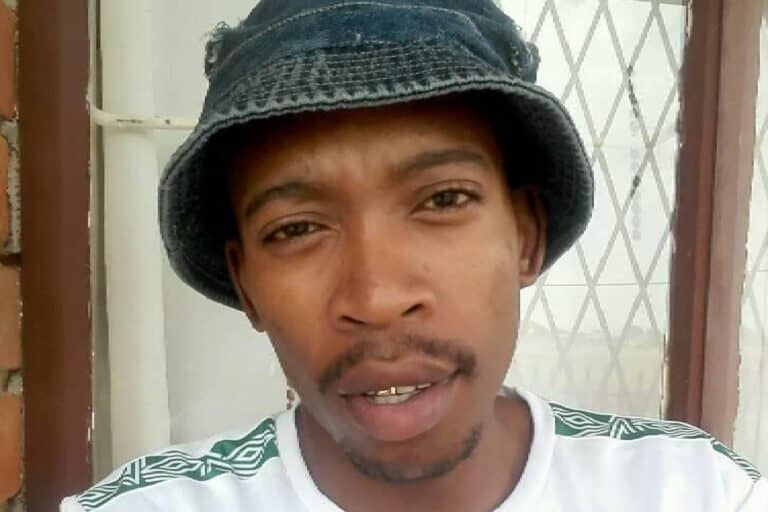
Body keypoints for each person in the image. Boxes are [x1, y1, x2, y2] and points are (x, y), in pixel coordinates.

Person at [61, 1, 767, 510]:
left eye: (443, 200)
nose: (376, 298)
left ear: (526, 236)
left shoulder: (693, 492)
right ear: (246, 286)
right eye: (296, 229)